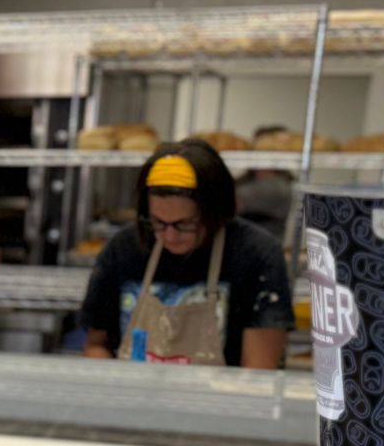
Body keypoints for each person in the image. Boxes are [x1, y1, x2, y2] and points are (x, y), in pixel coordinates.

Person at [79, 140, 291, 369]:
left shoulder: (255, 255)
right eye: (158, 222)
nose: (169, 236)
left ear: (215, 212)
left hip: (221, 402)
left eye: (185, 224)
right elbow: (96, 346)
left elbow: (258, 373)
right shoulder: (124, 249)